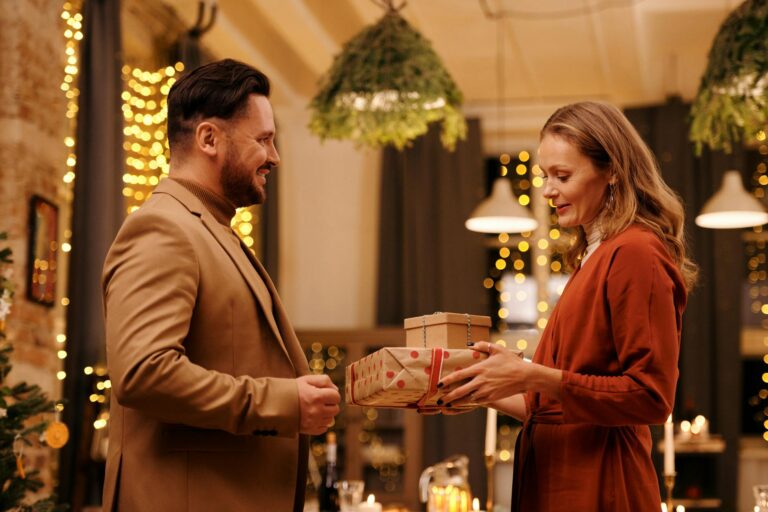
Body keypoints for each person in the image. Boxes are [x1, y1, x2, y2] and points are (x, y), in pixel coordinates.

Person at [102, 59, 341, 512]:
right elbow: (143, 372)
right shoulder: (163, 227)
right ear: (209, 138)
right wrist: (281, 402)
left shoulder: (210, 227)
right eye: (264, 140)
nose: (274, 157)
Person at [438, 101, 697, 511]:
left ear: (612, 170)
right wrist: (477, 385)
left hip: (601, 483)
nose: (547, 190)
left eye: (563, 175)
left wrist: (531, 374)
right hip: (558, 478)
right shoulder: (593, 256)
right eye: (545, 176)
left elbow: (651, 396)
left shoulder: (635, 252)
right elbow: (552, 406)